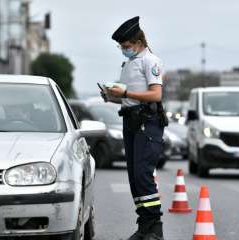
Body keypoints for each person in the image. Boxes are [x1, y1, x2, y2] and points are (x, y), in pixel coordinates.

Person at [102, 16, 167, 240]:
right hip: (131, 121)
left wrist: (126, 94)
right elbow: (129, 99)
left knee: (143, 175)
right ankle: (144, 227)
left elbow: (155, 95)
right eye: (121, 47)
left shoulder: (151, 61)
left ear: (139, 42)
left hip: (147, 124)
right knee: (133, 177)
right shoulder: (129, 64)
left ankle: (154, 229)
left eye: (127, 46)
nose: (123, 50)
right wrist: (112, 97)